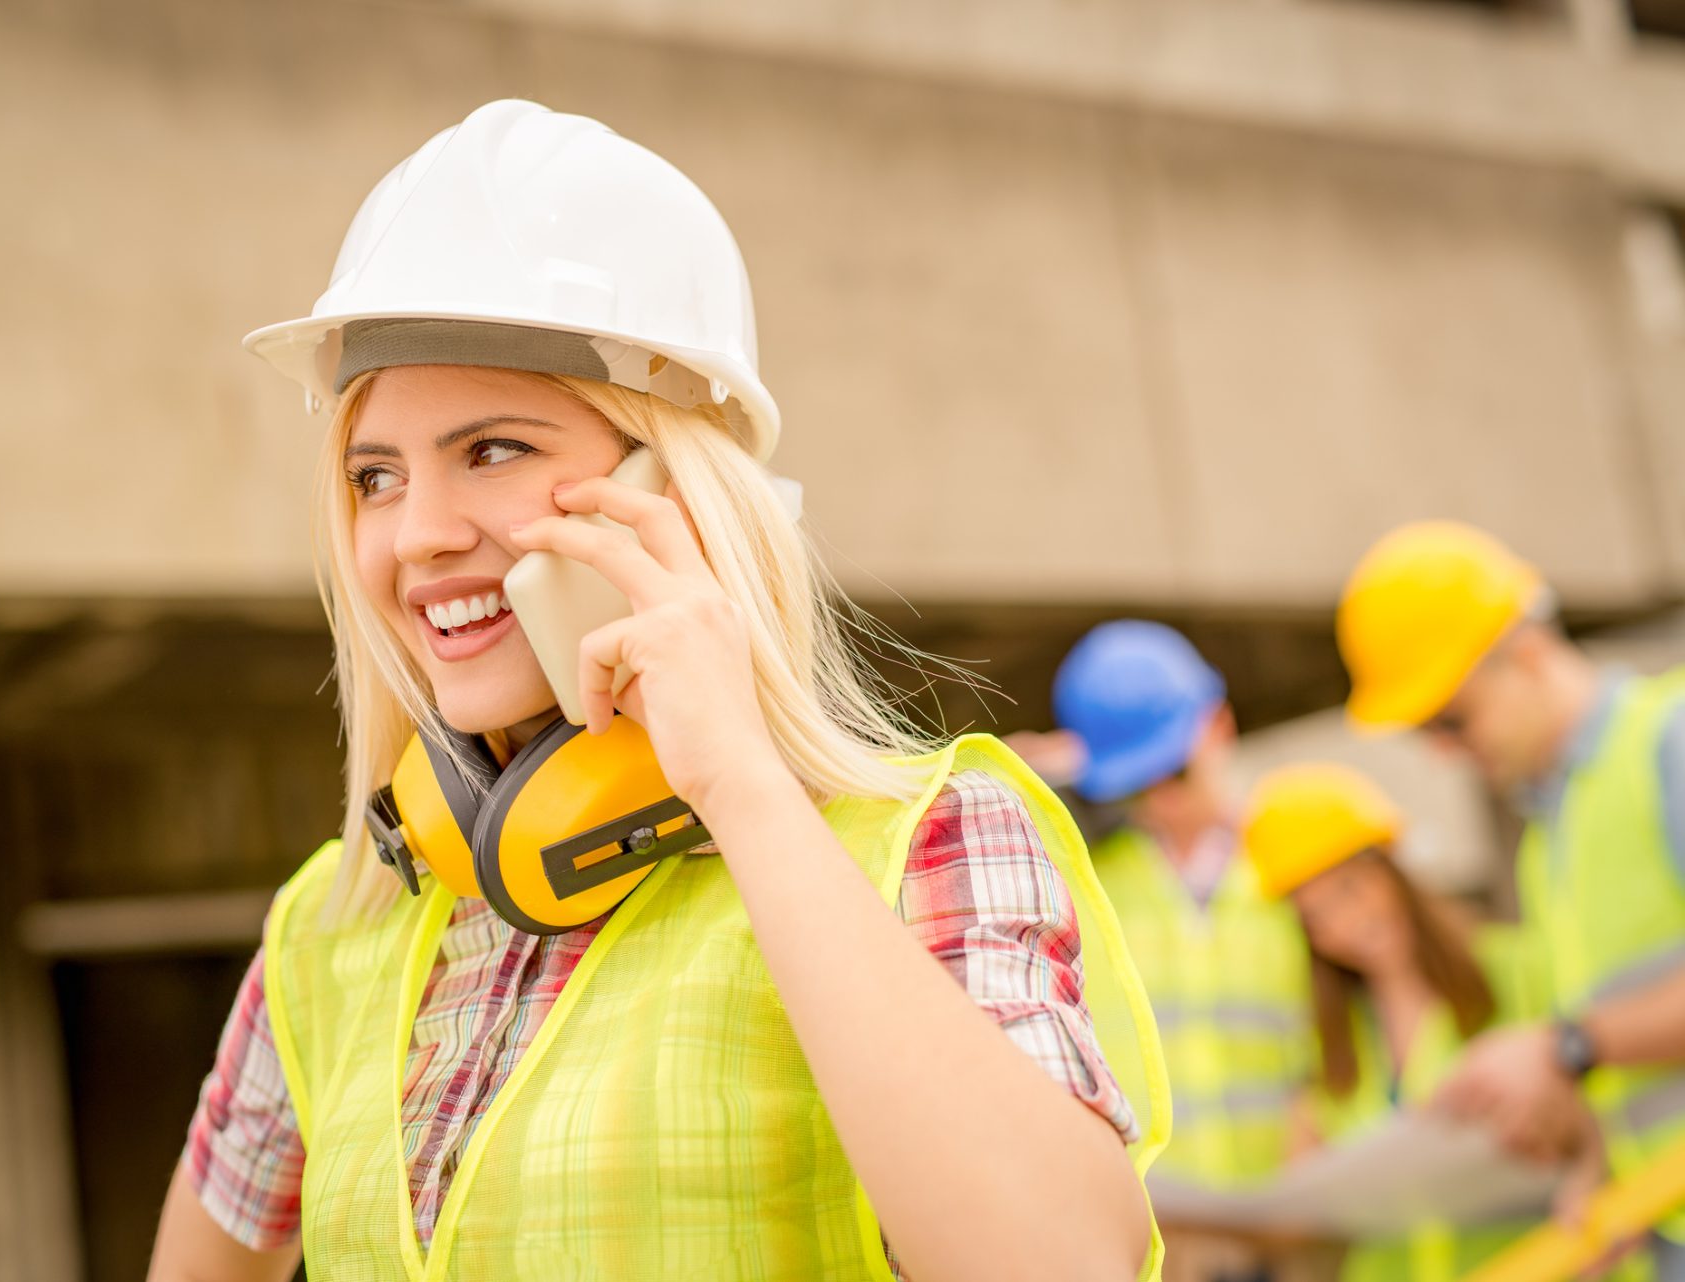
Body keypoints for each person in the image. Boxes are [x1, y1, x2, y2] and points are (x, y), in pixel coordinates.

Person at [145, 100, 1167, 1282]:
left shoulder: (921, 845)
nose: (417, 533)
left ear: (671, 488)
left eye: (493, 449)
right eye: (376, 476)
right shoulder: (332, 924)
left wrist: (743, 786)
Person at [1338, 519, 1685, 1277]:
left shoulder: (1669, 742)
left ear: (1526, 652)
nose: (1445, 752)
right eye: (1426, 733)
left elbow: (1590, 1039)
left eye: (1453, 719)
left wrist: (1564, 1047)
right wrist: (1600, 1171)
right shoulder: (1546, 843)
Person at [1244, 761, 1583, 1282]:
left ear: (1392, 870)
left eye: (1350, 889)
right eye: (1316, 917)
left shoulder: (1517, 972)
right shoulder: (1334, 1043)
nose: (1344, 926)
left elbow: (1593, 1126)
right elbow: (1306, 1203)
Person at [1048, 621, 1314, 1281]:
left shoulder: (1298, 870)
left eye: (1175, 770)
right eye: (1136, 782)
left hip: (1287, 1233)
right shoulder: (1086, 884)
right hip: (1154, 1243)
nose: (1162, 798)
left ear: (1220, 724)